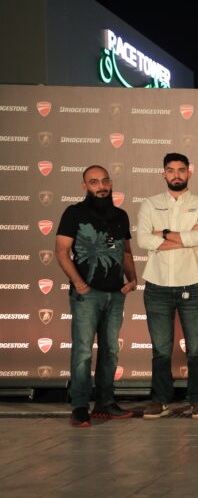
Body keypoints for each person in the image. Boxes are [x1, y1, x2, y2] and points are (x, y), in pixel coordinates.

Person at [55, 165, 137, 427]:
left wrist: (132, 279)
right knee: (83, 351)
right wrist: (79, 283)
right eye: (94, 182)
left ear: (110, 183)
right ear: (85, 186)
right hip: (87, 295)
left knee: (110, 351)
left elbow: (125, 251)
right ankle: (80, 407)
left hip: (116, 294)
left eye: (104, 181)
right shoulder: (74, 213)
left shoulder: (121, 215)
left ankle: (105, 403)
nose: (101, 186)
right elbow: (61, 251)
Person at [136, 153, 198, 419]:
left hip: (191, 284)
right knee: (160, 349)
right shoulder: (150, 203)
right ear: (164, 173)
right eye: (171, 170)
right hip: (156, 285)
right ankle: (160, 399)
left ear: (189, 173)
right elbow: (143, 240)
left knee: (196, 348)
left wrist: (164, 234)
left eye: (181, 170)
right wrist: (183, 239)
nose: (176, 175)